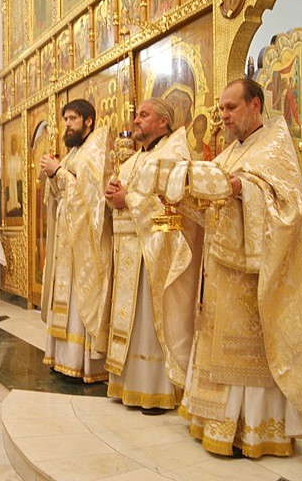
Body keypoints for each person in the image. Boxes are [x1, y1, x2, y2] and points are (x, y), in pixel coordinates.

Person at [180, 78, 302, 458]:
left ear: (255, 104)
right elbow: (210, 209)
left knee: (247, 353)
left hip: (253, 277)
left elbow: (289, 206)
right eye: (221, 109)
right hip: (220, 272)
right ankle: (215, 421)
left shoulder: (275, 145)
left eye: (231, 107)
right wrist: (184, 195)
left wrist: (244, 189)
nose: (223, 116)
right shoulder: (229, 153)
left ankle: (255, 430)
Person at [103, 98, 201, 414]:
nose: (136, 120)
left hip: (155, 251)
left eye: (144, 115)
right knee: (132, 322)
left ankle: (156, 389)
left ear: (163, 121)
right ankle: (130, 385)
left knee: (150, 319)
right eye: (136, 115)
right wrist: (112, 196)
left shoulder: (174, 153)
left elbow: (175, 203)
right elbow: (121, 199)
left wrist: (128, 199)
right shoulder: (133, 160)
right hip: (128, 252)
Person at [39, 99, 113, 382]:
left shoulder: (95, 150)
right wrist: (54, 176)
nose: (67, 125)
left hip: (85, 242)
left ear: (88, 121)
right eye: (65, 120)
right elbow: (62, 193)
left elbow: (90, 196)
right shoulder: (73, 154)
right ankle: (63, 358)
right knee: (65, 297)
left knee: (80, 297)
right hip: (67, 240)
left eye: (72, 119)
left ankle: (82, 363)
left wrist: (58, 173)